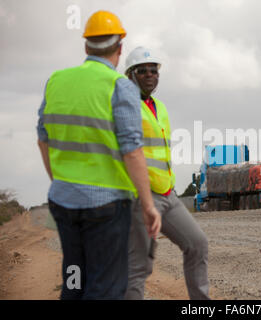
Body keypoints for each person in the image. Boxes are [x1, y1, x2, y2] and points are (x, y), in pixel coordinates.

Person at [36, 11, 161, 299]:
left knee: (74, 280)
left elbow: (43, 138)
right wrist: (148, 205)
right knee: (104, 285)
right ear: (119, 49)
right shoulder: (120, 86)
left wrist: (60, 180)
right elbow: (131, 150)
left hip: (64, 201)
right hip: (105, 207)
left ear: (86, 47)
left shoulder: (56, 80)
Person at [123, 47, 210, 300]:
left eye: (154, 70)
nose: (150, 75)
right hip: (140, 196)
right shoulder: (124, 106)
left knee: (197, 244)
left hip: (167, 194)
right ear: (130, 75)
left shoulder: (158, 106)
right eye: (143, 71)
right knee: (139, 266)